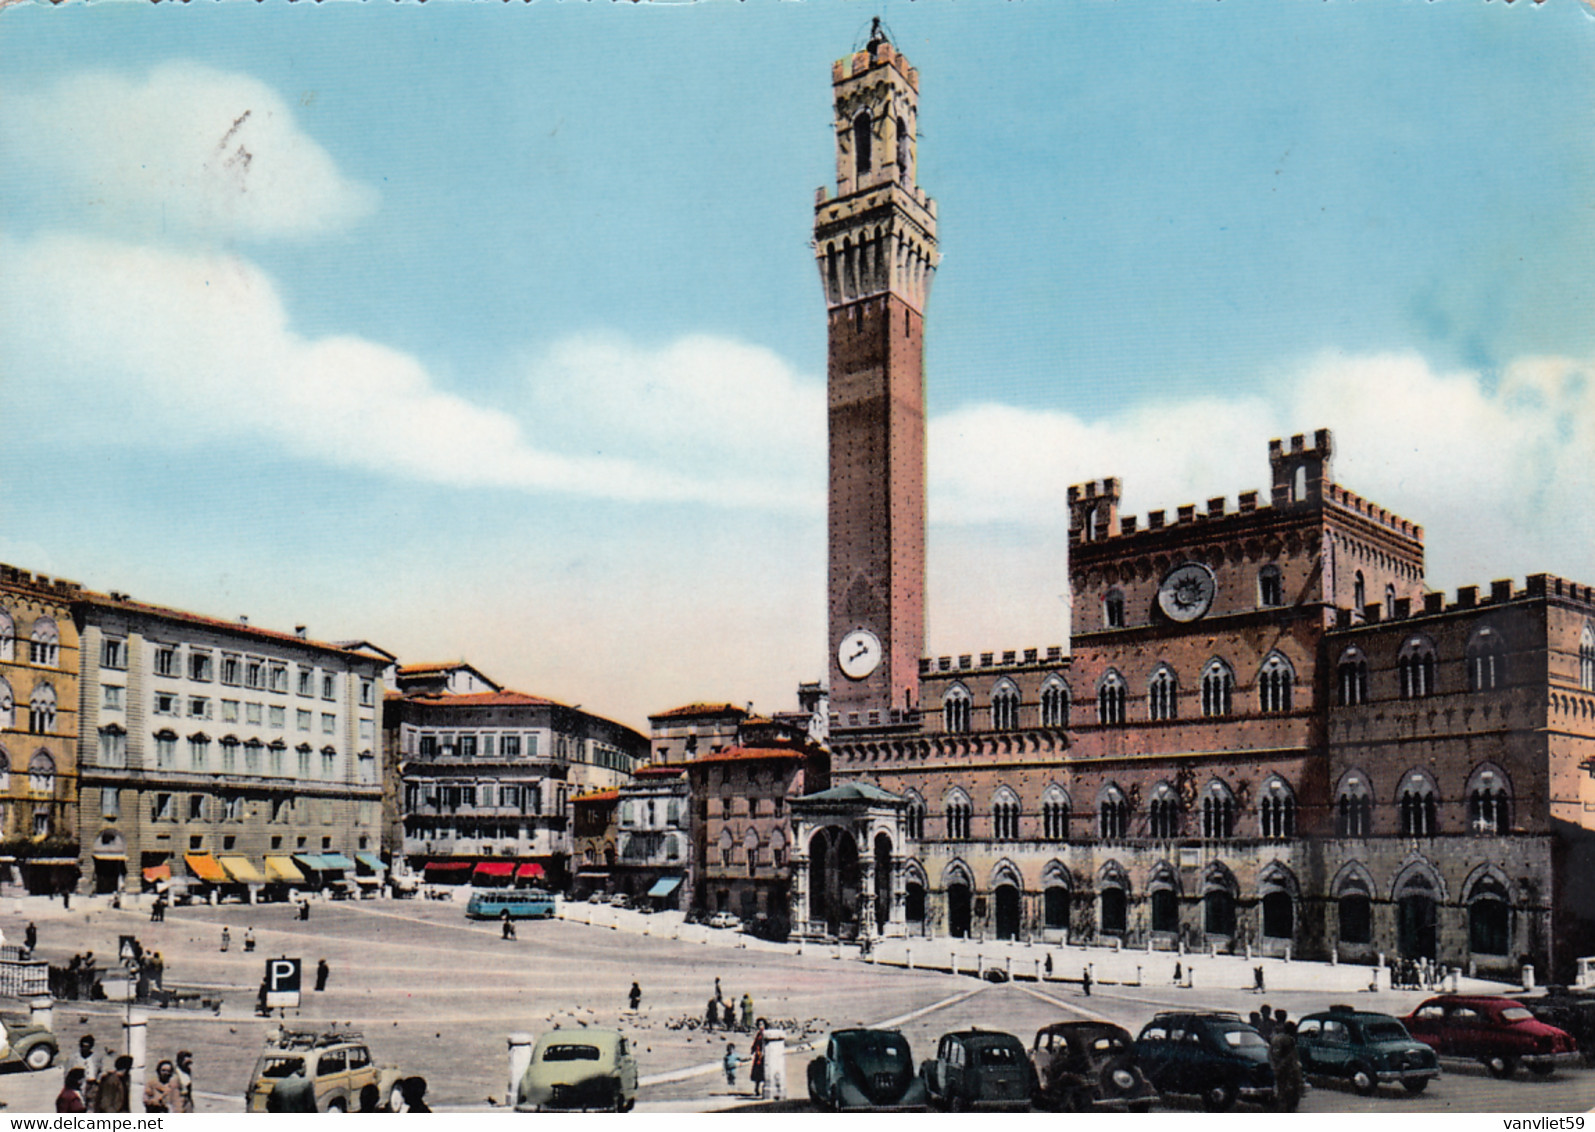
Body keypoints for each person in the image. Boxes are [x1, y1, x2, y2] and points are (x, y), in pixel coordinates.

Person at [1269, 1020, 1303, 1112]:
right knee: (1292, 1094)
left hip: (1277, 1067)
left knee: (1281, 1092)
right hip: (1288, 1069)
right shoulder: (1289, 1040)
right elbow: (1291, 1056)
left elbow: (1270, 1054)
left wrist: (1275, 1066)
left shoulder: (1275, 1038)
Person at [66, 1034, 101, 1108]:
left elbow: (100, 1071)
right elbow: (67, 1074)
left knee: (92, 1106)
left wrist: (98, 1082)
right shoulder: (73, 1058)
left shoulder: (96, 1057)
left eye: (87, 1047)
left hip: (92, 1085)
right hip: (78, 1086)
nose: (85, 1049)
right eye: (83, 1046)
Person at [750, 1022, 768, 1098]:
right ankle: (756, 1089)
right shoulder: (758, 1034)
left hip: (763, 1056)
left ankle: (764, 1089)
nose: (760, 1026)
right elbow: (755, 1043)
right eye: (759, 1025)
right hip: (758, 1055)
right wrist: (753, 1049)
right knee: (757, 1073)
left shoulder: (765, 1034)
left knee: (763, 1072)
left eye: (762, 1024)